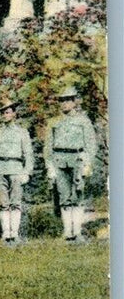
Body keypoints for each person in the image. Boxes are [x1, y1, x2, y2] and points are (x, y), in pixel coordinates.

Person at [44, 86, 98, 242]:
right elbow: (48, 147)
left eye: (68, 100)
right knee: (64, 197)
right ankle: (68, 232)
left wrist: (88, 164)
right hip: (59, 161)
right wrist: (50, 166)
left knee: (78, 196)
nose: (64, 104)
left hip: (78, 160)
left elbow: (90, 145)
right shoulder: (54, 122)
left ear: (75, 102)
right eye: (62, 101)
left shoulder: (83, 121)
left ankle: (78, 231)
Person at [0, 97, 34, 244]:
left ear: (14, 114)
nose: (5, 115)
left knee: (16, 202)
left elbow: (28, 154)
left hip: (16, 170)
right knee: (3, 203)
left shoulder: (22, 133)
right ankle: (6, 233)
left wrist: (27, 172)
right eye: (3, 113)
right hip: (0, 170)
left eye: (7, 112)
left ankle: (15, 233)